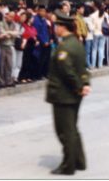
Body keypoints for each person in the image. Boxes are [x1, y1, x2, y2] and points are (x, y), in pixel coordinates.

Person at [46, 10, 91, 176]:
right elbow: (83, 67)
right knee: (72, 128)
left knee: (65, 131)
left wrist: (79, 86)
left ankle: (68, 165)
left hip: (64, 94)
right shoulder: (77, 43)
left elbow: (68, 71)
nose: (55, 28)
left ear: (61, 27)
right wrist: (85, 83)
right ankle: (79, 161)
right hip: (74, 93)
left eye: (56, 25)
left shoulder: (64, 47)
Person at [0, 11, 19, 87]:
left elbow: (17, 33)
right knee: (1, 64)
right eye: (10, 16)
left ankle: (8, 81)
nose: (11, 18)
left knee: (9, 64)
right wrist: (10, 33)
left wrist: (8, 33)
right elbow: (2, 32)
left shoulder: (14, 24)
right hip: (2, 45)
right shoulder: (1, 23)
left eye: (13, 17)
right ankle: (1, 81)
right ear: (7, 16)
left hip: (10, 45)